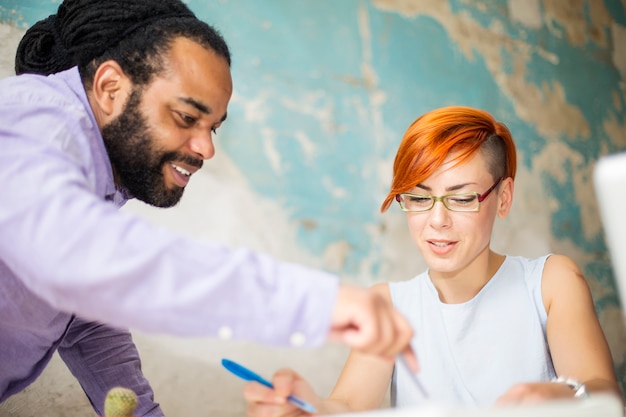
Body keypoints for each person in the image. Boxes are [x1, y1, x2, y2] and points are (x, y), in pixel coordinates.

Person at [0, 1, 415, 416]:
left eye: (213, 127)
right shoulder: (36, 118)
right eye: (186, 117)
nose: (207, 148)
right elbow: (78, 254)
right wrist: (320, 303)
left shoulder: (95, 184)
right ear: (111, 88)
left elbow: (85, 315)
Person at [242, 106, 623, 416]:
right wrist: (311, 409)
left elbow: (607, 395)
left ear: (503, 197)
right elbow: (349, 406)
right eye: (419, 198)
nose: (437, 221)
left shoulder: (551, 282)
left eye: (461, 198)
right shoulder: (389, 306)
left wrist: (568, 397)